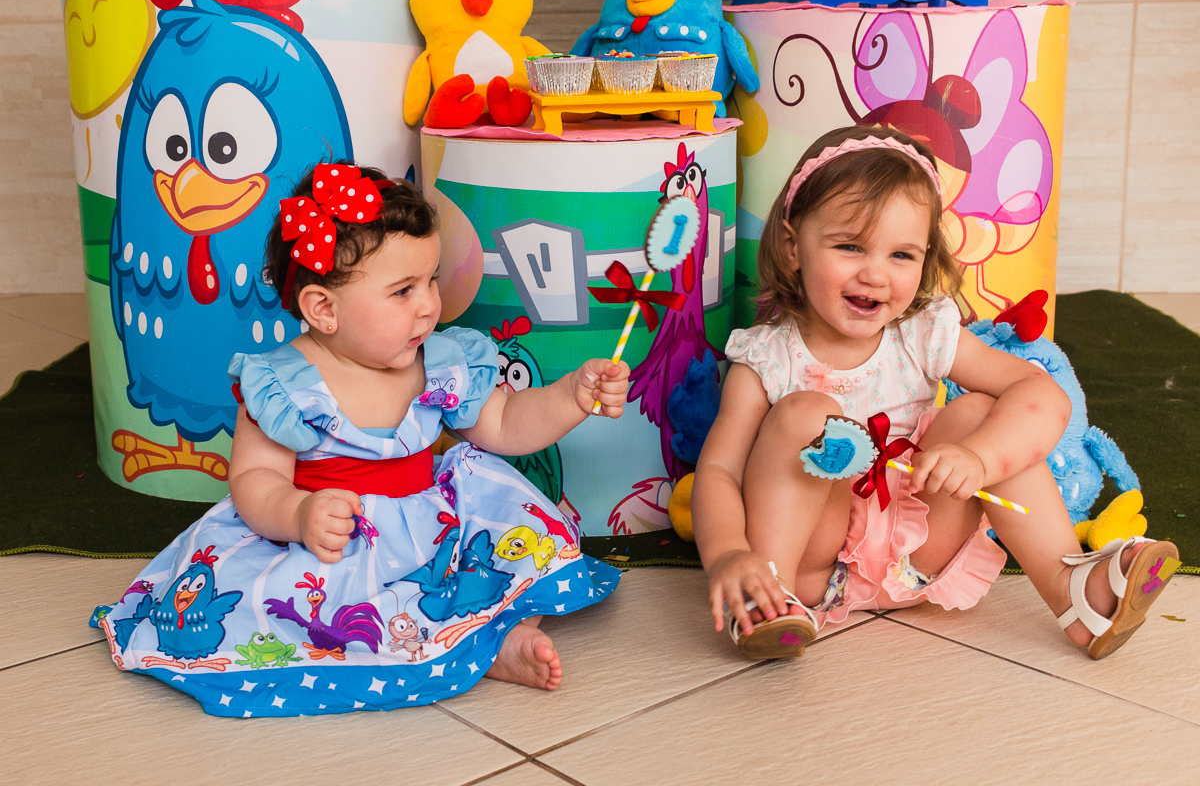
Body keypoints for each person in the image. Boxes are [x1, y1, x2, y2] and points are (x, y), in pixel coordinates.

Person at [91, 162, 629, 716]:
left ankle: (495, 639)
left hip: (431, 526)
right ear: (323, 309)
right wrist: (297, 513)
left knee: (505, 555)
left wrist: (570, 397)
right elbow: (254, 479)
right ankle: (467, 646)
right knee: (288, 611)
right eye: (402, 291)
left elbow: (503, 423)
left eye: (431, 281)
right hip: (335, 540)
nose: (428, 305)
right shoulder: (283, 383)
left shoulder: (438, 361)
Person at [693, 126, 1179, 662]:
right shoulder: (767, 357)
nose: (875, 274)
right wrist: (729, 555)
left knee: (981, 413)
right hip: (811, 566)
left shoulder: (924, 332)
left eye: (901, 255)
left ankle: (1075, 595)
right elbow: (719, 470)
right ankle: (765, 601)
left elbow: (1041, 394)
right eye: (850, 246)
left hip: (916, 551)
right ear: (792, 246)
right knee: (808, 414)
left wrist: (980, 455)